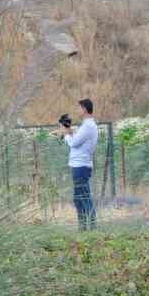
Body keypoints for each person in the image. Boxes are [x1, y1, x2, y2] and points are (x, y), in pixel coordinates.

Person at [61, 98, 98, 231]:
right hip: (80, 165)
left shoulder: (88, 126)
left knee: (83, 197)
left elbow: (73, 143)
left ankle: (92, 226)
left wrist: (66, 134)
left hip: (81, 166)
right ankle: (83, 227)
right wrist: (69, 130)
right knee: (78, 198)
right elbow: (78, 135)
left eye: (78, 108)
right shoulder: (87, 125)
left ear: (84, 109)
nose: (77, 111)